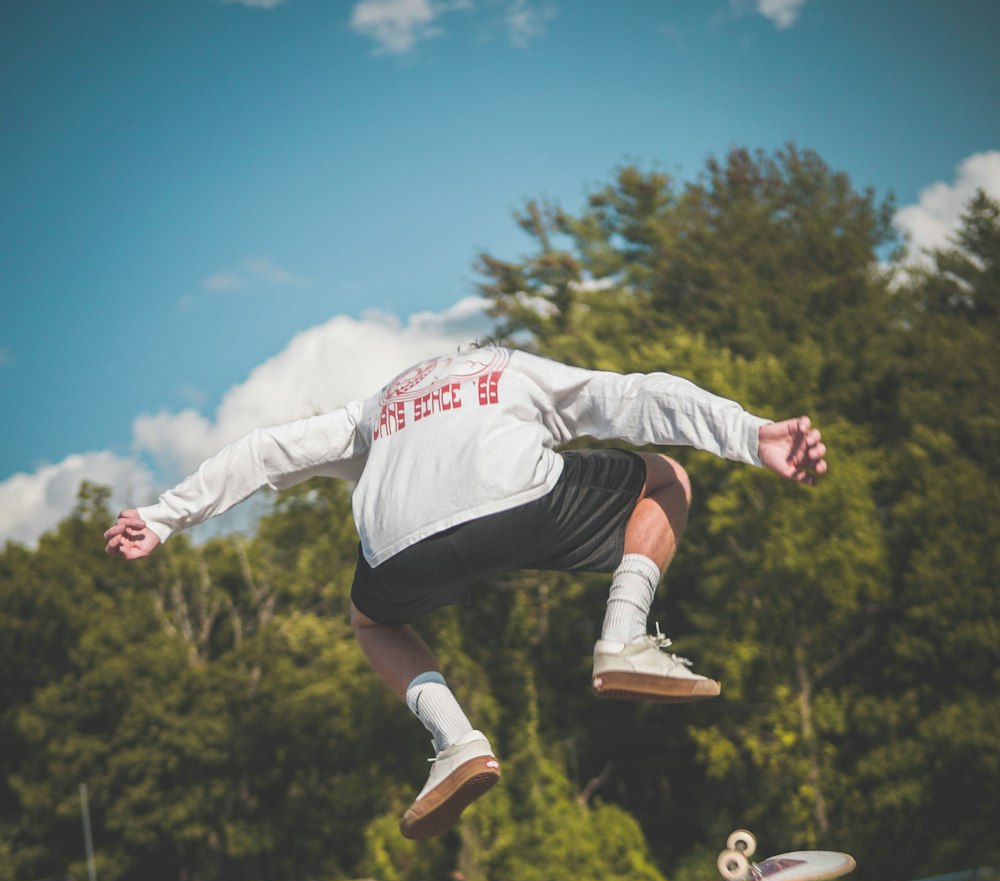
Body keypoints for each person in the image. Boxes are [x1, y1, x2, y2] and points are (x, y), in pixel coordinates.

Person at [105, 345, 827, 840]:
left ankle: (455, 742)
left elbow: (265, 452)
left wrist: (165, 518)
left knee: (371, 622)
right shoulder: (508, 367)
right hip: (517, 499)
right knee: (666, 477)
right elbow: (632, 396)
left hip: (398, 543)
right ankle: (623, 636)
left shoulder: (379, 405)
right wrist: (751, 433)